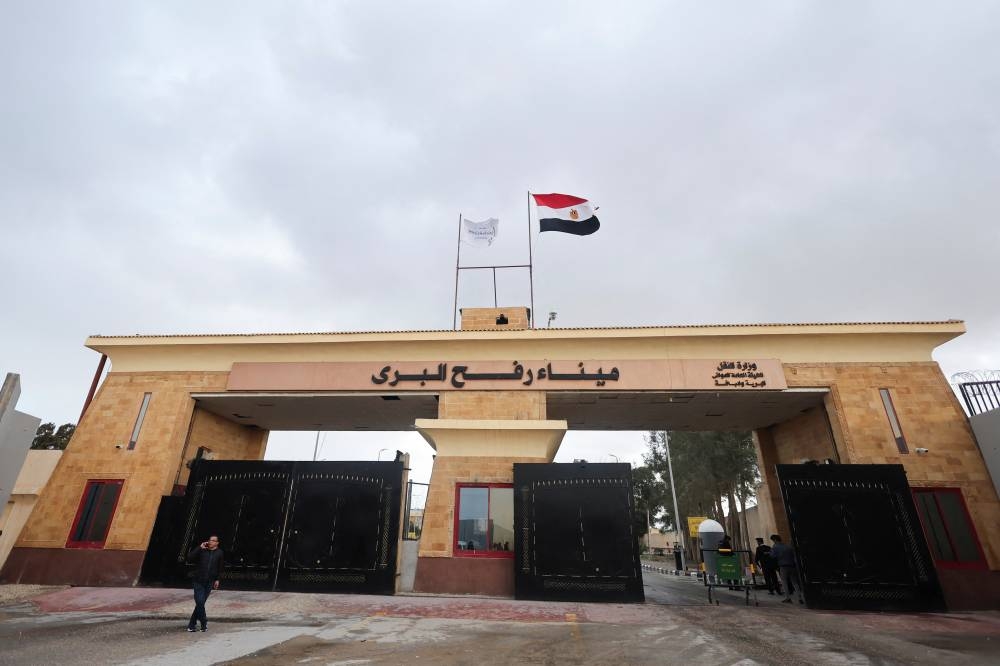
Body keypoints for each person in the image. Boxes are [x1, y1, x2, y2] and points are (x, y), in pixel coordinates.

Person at [187, 535, 224, 632]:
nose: (210, 542)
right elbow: (189, 558)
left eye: (213, 541)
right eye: (209, 540)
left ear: (217, 543)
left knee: (200, 603)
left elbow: (219, 568)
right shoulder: (202, 550)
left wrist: (217, 580)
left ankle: (191, 625)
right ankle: (204, 623)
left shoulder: (219, 553)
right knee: (199, 602)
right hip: (198, 581)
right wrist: (199, 548)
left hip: (209, 582)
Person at [770, 534, 803, 605]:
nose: (773, 542)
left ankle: (788, 598)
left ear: (775, 540)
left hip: (783, 566)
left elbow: (772, 556)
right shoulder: (788, 546)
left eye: (773, 540)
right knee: (795, 582)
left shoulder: (775, 547)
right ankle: (800, 598)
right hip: (792, 566)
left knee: (784, 582)